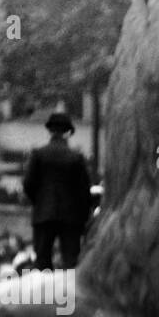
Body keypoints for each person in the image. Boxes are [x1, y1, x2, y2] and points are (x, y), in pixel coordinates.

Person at [23, 111, 94, 270]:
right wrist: (83, 216)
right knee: (70, 262)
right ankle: (67, 295)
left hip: (43, 215)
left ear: (50, 131)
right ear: (68, 133)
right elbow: (84, 191)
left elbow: (28, 184)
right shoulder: (76, 157)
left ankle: (43, 294)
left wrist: (39, 202)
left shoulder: (38, 154)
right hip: (71, 218)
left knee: (42, 262)